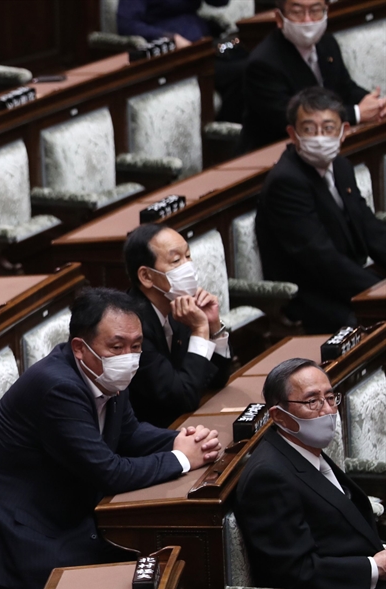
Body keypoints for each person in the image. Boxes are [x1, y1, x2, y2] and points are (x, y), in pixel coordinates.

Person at [0, 288, 223, 589]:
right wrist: (181, 459)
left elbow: (129, 434)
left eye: (137, 346)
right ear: (80, 347)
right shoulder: (58, 387)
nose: (129, 357)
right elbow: (108, 471)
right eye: (117, 346)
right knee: (126, 585)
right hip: (4, 535)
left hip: (58, 513)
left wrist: (182, 440)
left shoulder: (107, 372)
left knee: (162, 566)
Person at [235, 358, 386, 589]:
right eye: (312, 401)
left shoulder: (305, 450)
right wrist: (374, 567)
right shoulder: (270, 476)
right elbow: (296, 572)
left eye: (331, 397)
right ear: (279, 415)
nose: (328, 410)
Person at [255, 87, 386, 334]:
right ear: (293, 135)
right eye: (309, 129)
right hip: (313, 295)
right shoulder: (287, 181)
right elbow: (320, 258)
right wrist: (378, 292)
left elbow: (368, 228)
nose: (319, 137)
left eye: (327, 128)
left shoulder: (341, 166)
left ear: (343, 132)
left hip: (345, 279)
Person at [240, 0, 386, 152]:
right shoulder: (263, 63)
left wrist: (378, 105)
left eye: (315, 11)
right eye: (297, 12)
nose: (307, 21)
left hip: (325, 147)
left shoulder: (327, 43)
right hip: (276, 156)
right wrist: (356, 113)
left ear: (326, 12)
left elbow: (345, 88)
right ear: (279, 18)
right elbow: (293, 117)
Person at [123, 224, 232, 428]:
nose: (188, 266)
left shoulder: (179, 304)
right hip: (153, 432)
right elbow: (183, 398)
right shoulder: (132, 327)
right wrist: (200, 331)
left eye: (188, 256)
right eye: (176, 260)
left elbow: (217, 378)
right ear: (146, 276)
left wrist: (213, 325)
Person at [116, 0, 246, 123]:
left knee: (251, 56)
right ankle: (231, 137)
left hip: (208, 46)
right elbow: (126, 24)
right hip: (176, 56)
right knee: (241, 71)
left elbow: (219, 3)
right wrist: (168, 37)